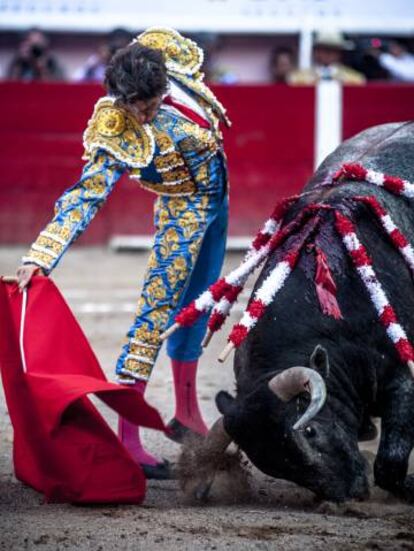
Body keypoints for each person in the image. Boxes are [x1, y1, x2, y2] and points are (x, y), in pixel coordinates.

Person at [16, 27, 231, 479]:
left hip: (218, 200)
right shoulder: (114, 126)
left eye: (150, 104)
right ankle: (129, 441)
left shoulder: (168, 58)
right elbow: (86, 195)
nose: (144, 115)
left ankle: (186, 412)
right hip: (182, 209)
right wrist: (43, 253)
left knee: (203, 302)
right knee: (155, 314)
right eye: (135, 107)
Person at [290, 31, 365, 85]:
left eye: (333, 50)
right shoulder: (298, 79)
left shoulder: (355, 79)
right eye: (324, 49)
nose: (328, 53)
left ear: (339, 53)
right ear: (316, 51)